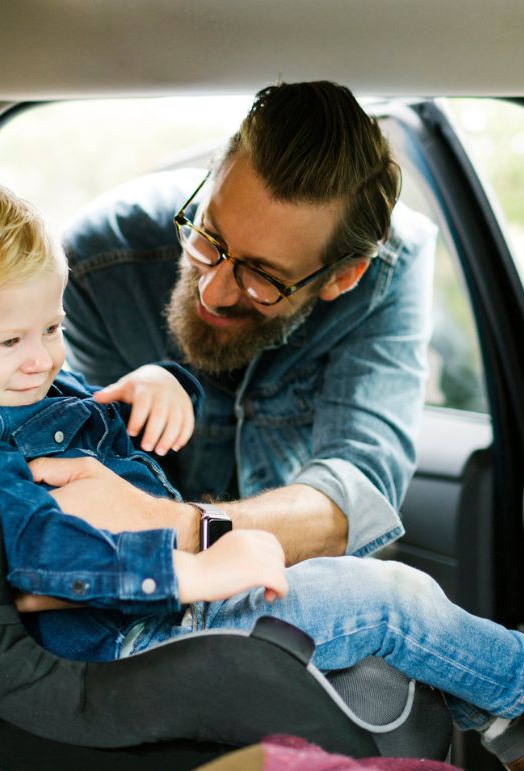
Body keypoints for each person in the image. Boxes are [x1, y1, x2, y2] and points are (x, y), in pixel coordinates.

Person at [0, 174, 524, 771]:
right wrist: (192, 564)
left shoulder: (24, 393)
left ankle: (515, 719)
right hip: (138, 638)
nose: (42, 359)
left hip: (156, 613)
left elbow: (103, 416)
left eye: (54, 327)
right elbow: (39, 560)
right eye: (11, 339)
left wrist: (166, 383)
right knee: (388, 600)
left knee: (387, 604)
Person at [51, 80, 437, 564]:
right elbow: (82, 461)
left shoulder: (388, 274)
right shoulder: (97, 262)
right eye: (209, 237)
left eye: (262, 276)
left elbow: (357, 490)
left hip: (297, 575)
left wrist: (187, 529)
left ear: (343, 277)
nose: (212, 292)